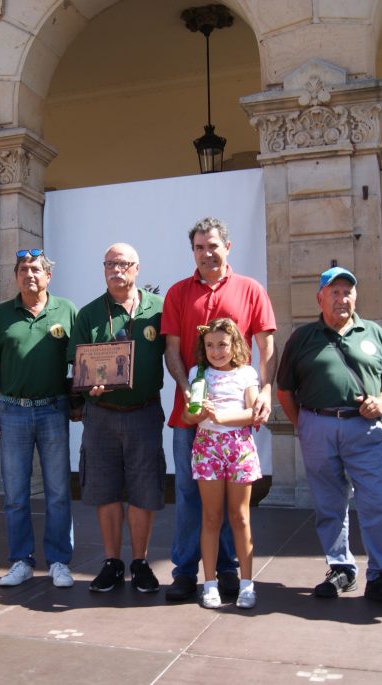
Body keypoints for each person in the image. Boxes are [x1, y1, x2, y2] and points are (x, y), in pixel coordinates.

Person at [276, 266, 382, 608]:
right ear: (320, 298)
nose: (341, 298)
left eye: (347, 291)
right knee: (329, 503)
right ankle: (341, 568)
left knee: (376, 501)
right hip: (317, 426)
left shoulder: (374, 333)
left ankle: (381, 575)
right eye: (334, 292)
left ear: (356, 296)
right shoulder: (302, 338)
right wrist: (304, 425)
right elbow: (284, 390)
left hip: (365, 429)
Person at [160, 217, 276, 602]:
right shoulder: (178, 292)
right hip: (190, 417)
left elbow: (267, 347)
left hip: (236, 422)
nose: (206, 253)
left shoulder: (251, 289)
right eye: (199, 247)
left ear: (227, 247)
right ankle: (184, 572)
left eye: (212, 246)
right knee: (188, 495)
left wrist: (266, 390)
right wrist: (189, 392)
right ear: (192, 251)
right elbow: (172, 351)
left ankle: (228, 570)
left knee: (232, 504)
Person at [68, 243, 165, 593]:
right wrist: (86, 386)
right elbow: (77, 364)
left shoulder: (159, 309)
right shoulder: (89, 313)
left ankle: (140, 562)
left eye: (123, 264)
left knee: (144, 489)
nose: (116, 270)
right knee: (105, 490)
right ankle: (112, 562)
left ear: (137, 268)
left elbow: (175, 353)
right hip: (101, 415)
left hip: (144, 413)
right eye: (109, 264)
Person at [0, 249, 78, 588]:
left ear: (48, 276)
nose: (29, 275)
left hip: (53, 409)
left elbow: (80, 360)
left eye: (35, 269)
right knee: (16, 493)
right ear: (16, 276)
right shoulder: (2, 314)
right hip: (12, 411)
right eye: (23, 269)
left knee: (58, 491)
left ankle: (59, 561)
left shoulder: (66, 310)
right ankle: (21, 560)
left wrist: (79, 401)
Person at [182, 318, 262, 609]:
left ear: (234, 345)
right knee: (211, 517)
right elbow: (189, 416)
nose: (216, 351)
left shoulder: (246, 373)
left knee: (240, 517)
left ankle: (247, 584)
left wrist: (220, 417)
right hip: (207, 447)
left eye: (222, 345)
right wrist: (198, 413)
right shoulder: (197, 373)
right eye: (210, 345)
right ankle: (210, 584)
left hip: (239, 447)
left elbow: (253, 413)